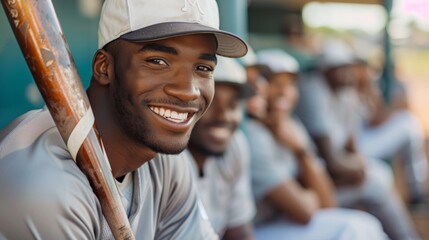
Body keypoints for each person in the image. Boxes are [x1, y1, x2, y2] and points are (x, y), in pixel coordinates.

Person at [0, 0, 248, 239]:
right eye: (158, 61)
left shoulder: (165, 165)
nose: (188, 91)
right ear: (104, 67)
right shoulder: (43, 186)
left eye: (203, 68)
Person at [244, 48, 388, 240]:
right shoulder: (253, 134)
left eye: (290, 84)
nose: (284, 92)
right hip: (258, 229)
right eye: (275, 83)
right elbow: (304, 211)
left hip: (283, 222)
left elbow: (328, 203)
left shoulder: (291, 126)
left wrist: (301, 151)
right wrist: (308, 195)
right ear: (258, 89)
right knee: (353, 228)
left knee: (364, 224)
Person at [294, 39, 421, 240]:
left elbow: (351, 142)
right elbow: (332, 162)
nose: (347, 72)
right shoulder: (313, 91)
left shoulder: (346, 89)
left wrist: (356, 165)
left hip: (334, 174)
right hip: (316, 182)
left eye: (348, 67)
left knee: (380, 174)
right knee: (376, 182)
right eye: (339, 68)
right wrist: (356, 168)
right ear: (325, 69)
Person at [184, 56, 256, 240]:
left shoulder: (236, 144)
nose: (223, 116)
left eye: (232, 104)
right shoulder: (166, 160)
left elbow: (239, 230)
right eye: (210, 103)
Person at [353, 59, 428, 204]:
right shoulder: (348, 89)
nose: (364, 73)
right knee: (409, 125)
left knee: (409, 121)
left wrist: (369, 89)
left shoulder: (367, 86)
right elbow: (376, 120)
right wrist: (395, 106)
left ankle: (417, 192)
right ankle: (416, 193)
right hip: (359, 147)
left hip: (364, 141)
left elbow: (377, 116)